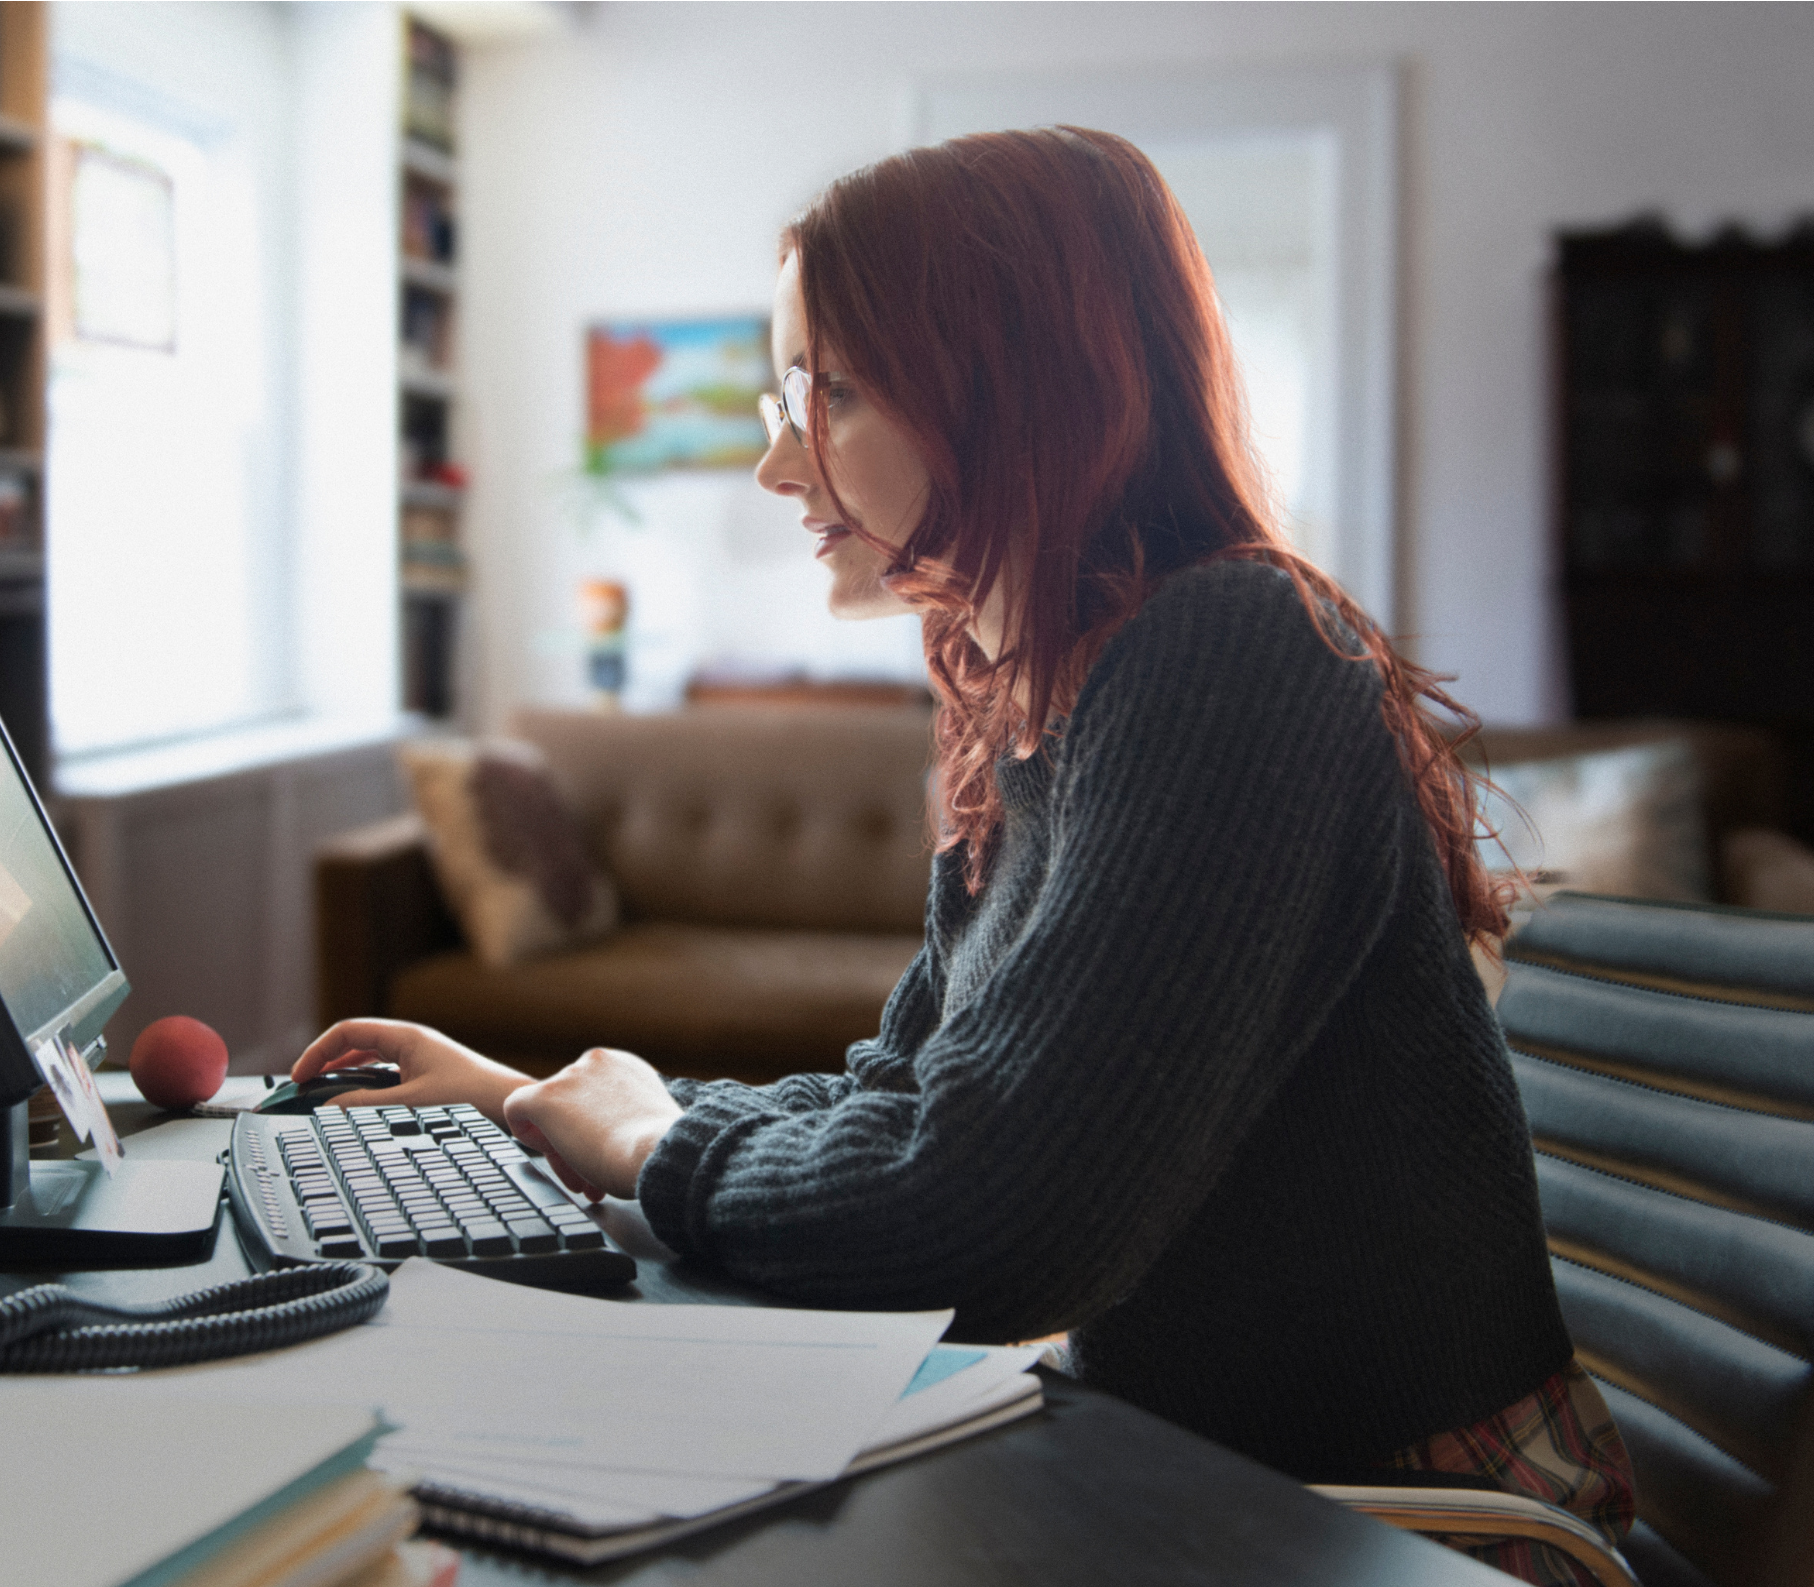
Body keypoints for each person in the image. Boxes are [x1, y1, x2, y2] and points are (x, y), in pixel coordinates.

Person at [296, 127, 1634, 1585]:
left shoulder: (1231, 652)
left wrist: (654, 1140)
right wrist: (558, 1104)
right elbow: (913, 1099)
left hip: (1410, 1522)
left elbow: (986, 1215)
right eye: (785, 392)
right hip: (1203, 1465)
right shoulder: (1034, 696)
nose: (772, 460)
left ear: (1016, 392)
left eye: (833, 392)